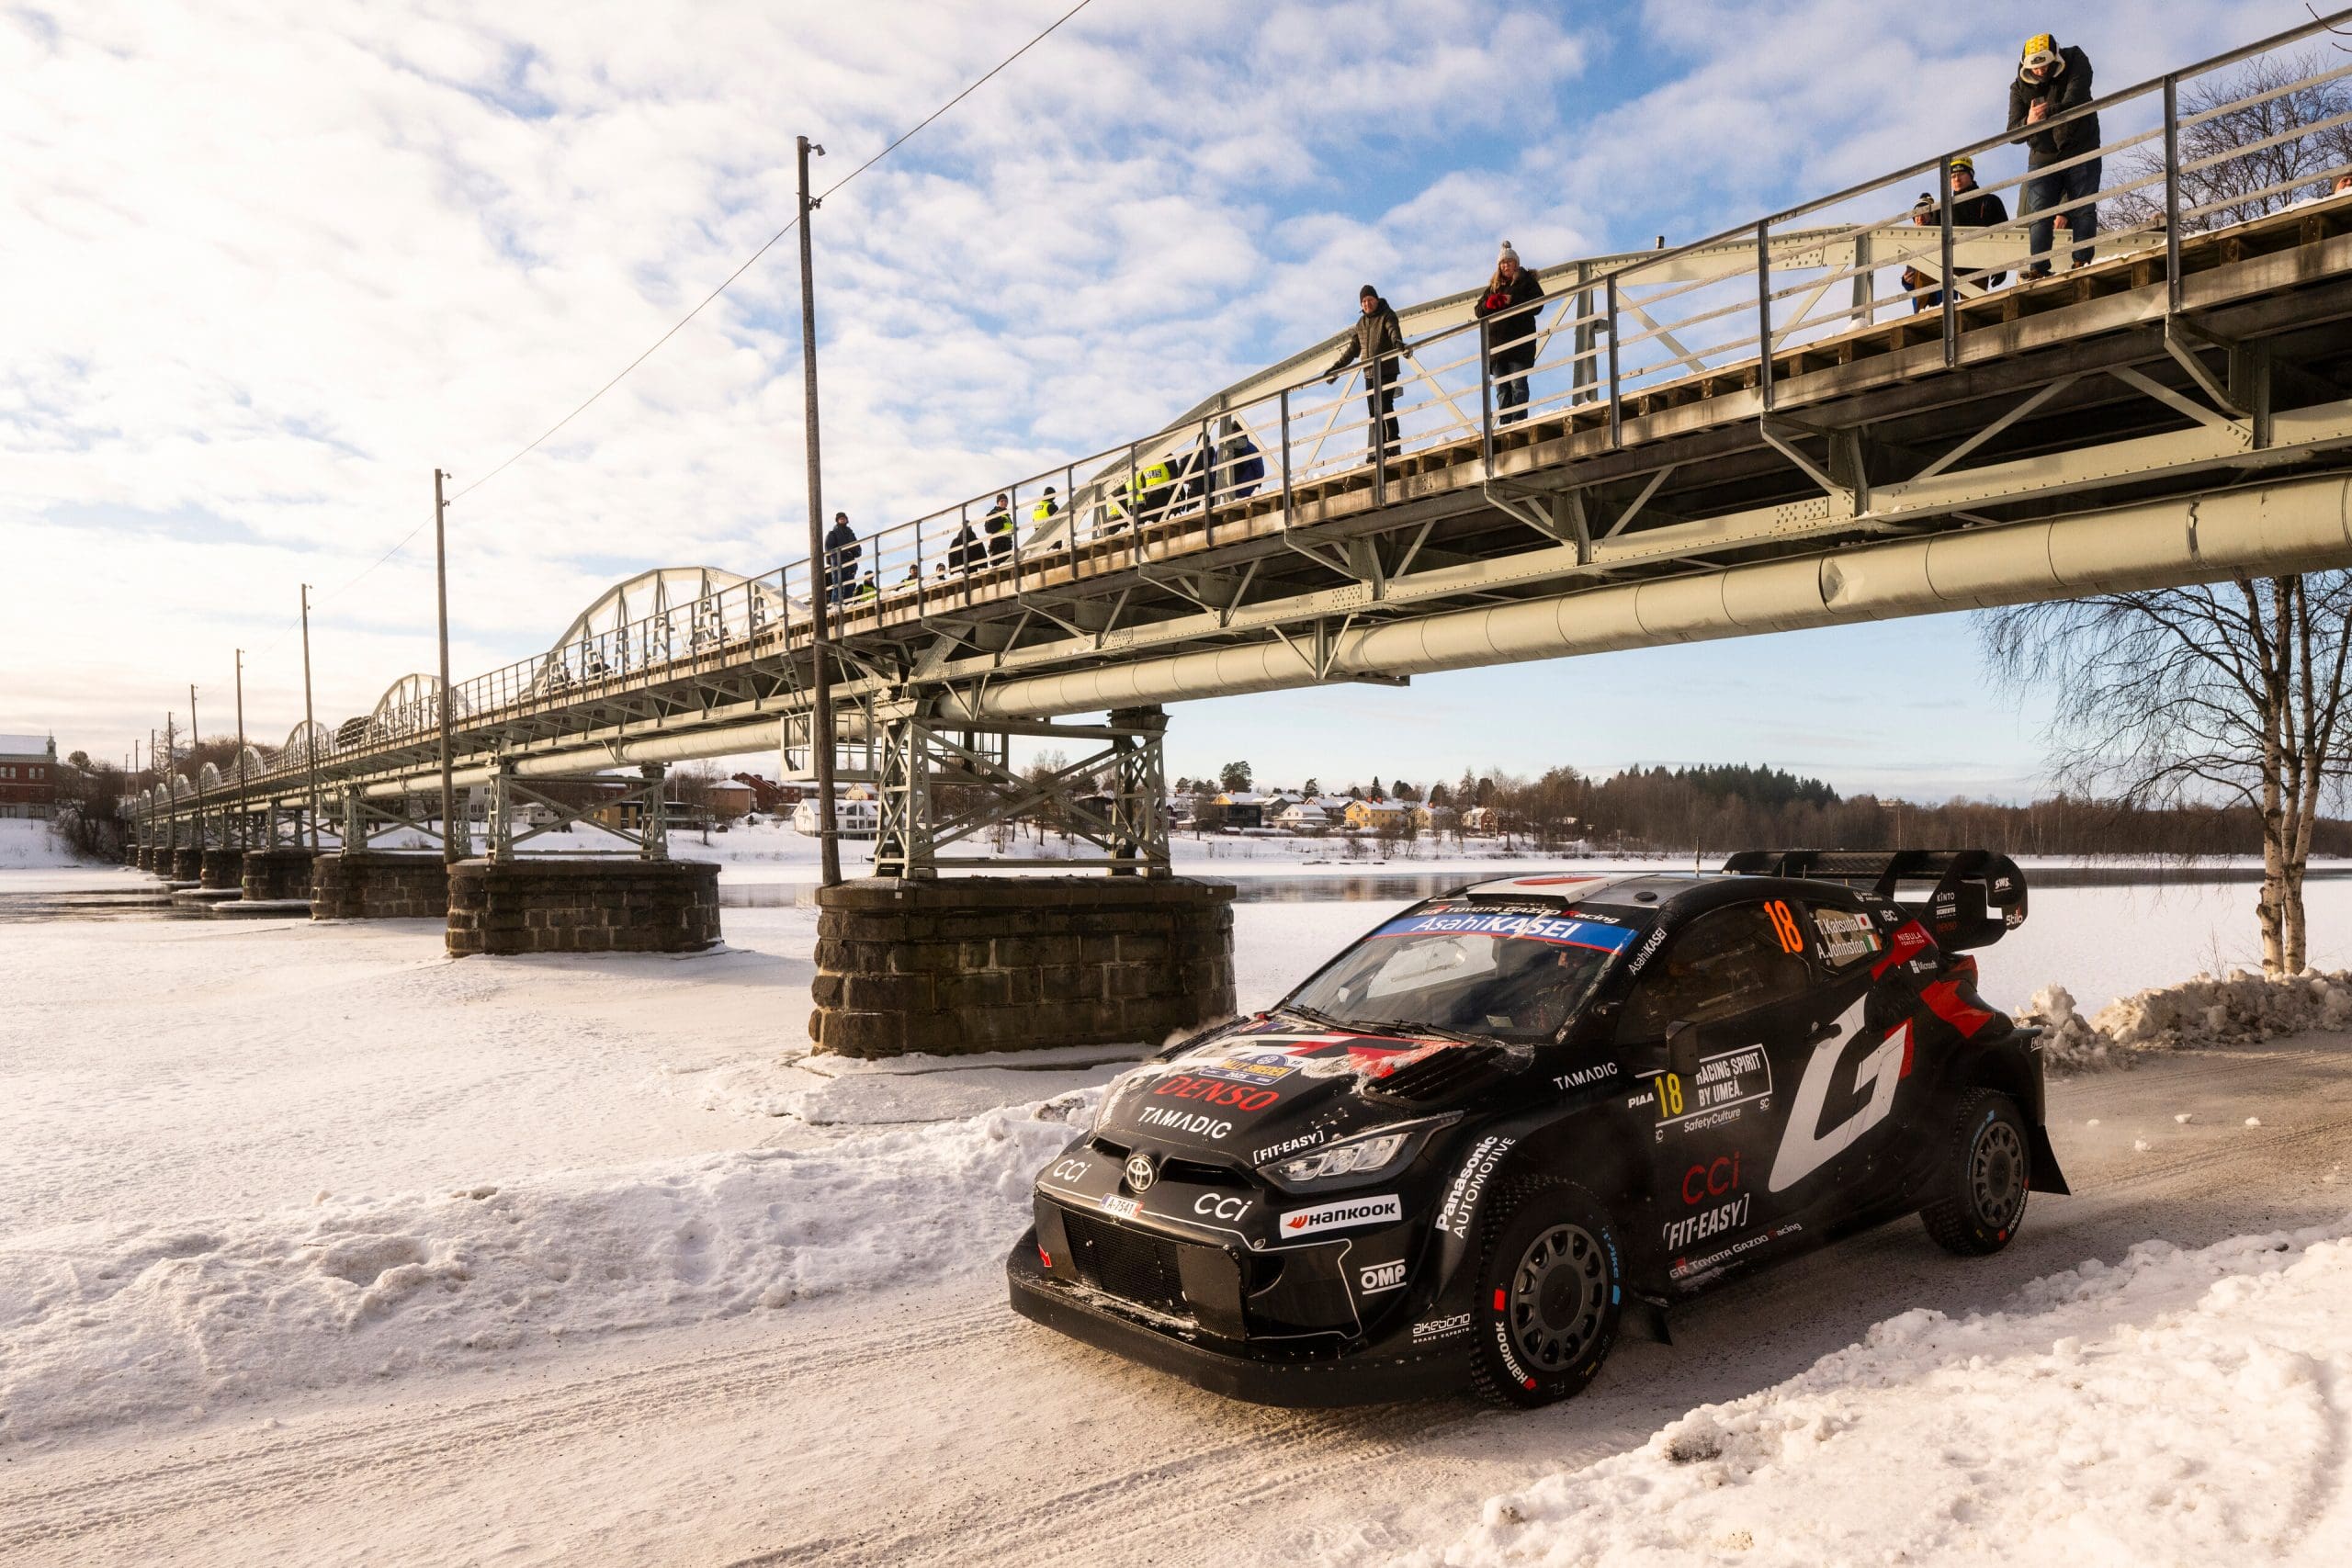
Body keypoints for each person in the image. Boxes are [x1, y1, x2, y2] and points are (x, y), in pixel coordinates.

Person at [2007, 32, 2099, 278]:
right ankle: (2038, 268)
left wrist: (2048, 113)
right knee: (2039, 214)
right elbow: (2013, 133)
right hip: (2042, 156)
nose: (2041, 71)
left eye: (2045, 65)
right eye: (2035, 67)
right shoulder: (2018, 88)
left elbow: (2076, 98)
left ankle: (2082, 262)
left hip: (2081, 146)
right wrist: (2028, 121)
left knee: (2083, 207)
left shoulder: (2076, 59)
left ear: (2055, 58)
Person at [1324, 284, 1405, 457]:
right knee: (1373, 412)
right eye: (1363, 301)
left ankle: (1394, 443)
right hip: (1369, 373)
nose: (1367, 304)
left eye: (1369, 300)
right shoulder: (1361, 323)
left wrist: (1398, 342)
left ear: (1376, 299)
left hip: (1387, 369)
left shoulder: (1386, 315)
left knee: (1385, 405)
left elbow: (1393, 330)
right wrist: (1336, 369)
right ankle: (1380, 447)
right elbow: (1353, 350)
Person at [1473, 241, 1545, 424]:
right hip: (1497, 349)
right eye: (1503, 263)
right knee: (1502, 389)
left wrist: (1511, 300)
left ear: (1516, 264)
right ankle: (1505, 423)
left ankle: (1518, 421)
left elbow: (1538, 304)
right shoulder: (1493, 287)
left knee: (1518, 386)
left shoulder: (1526, 282)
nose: (1506, 265)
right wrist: (1489, 304)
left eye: (1509, 262)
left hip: (1519, 346)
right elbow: (1478, 311)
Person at [1947, 154, 2010, 293]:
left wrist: (2002, 265)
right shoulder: (1944, 209)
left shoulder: (1990, 201)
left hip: (1978, 264)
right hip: (1950, 265)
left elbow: (2005, 236)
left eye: (1961, 174)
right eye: (1953, 176)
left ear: (1971, 175)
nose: (1957, 179)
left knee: (1972, 304)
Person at [1215, 417, 1263, 503]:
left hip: (1228, 493)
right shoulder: (1250, 447)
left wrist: (1221, 490)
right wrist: (1257, 485)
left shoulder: (1221, 450)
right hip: (1248, 490)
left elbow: (1215, 473)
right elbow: (1259, 471)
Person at [822, 512, 860, 604]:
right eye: (840, 519)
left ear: (847, 520)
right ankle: (835, 605)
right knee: (837, 586)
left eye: (844, 518)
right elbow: (829, 549)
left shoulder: (851, 534)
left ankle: (847, 604)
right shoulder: (833, 533)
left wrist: (853, 551)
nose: (842, 520)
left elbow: (858, 549)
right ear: (837, 521)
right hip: (838, 563)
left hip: (850, 564)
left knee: (850, 585)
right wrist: (844, 552)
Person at [983, 492, 1014, 562]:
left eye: (1006, 501)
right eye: (1002, 501)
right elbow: (988, 529)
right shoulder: (993, 513)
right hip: (997, 545)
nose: (1004, 502)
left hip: (1007, 544)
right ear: (998, 502)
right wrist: (1001, 524)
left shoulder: (1007, 515)